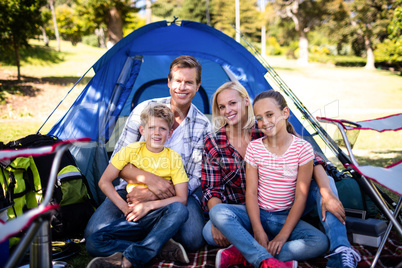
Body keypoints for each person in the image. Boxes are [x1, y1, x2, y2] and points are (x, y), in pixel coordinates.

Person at [202, 83, 360, 267]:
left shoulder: (264, 127)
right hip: (247, 211)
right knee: (209, 231)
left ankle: (340, 249)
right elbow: (212, 189)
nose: (228, 110)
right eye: (222, 107)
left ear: (246, 101)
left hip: (286, 206)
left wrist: (326, 193)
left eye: (232, 103)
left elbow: (313, 160)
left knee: (326, 184)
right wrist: (217, 220)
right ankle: (263, 254)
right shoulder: (215, 141)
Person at [85, 55, 212, 256]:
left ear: (198, 86)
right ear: (169, 82)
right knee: (94, 231)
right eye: (178, 81)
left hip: (178, 195)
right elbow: (118, 161)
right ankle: (159, 246)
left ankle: (146, 237)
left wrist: (154, 195)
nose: (182, 87)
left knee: (193, 239)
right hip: (131, 191)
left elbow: (196, 177)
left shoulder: (203, 126)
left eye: (189, 82)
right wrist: (148, 180)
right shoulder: (144, 111)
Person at [86, 103, 190, 267]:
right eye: (151, 127)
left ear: (170, 133)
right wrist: (125, 208)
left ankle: (133, 257)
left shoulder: (173, 158)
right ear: (142, 130)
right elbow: (104, 181)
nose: (156, 133)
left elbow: (182, 198)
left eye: (162, 129)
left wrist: (148, 206)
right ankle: (157, 248)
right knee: (93, 242)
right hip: (133, 216)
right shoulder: (130, 151)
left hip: (158, 217)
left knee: (179, 210)